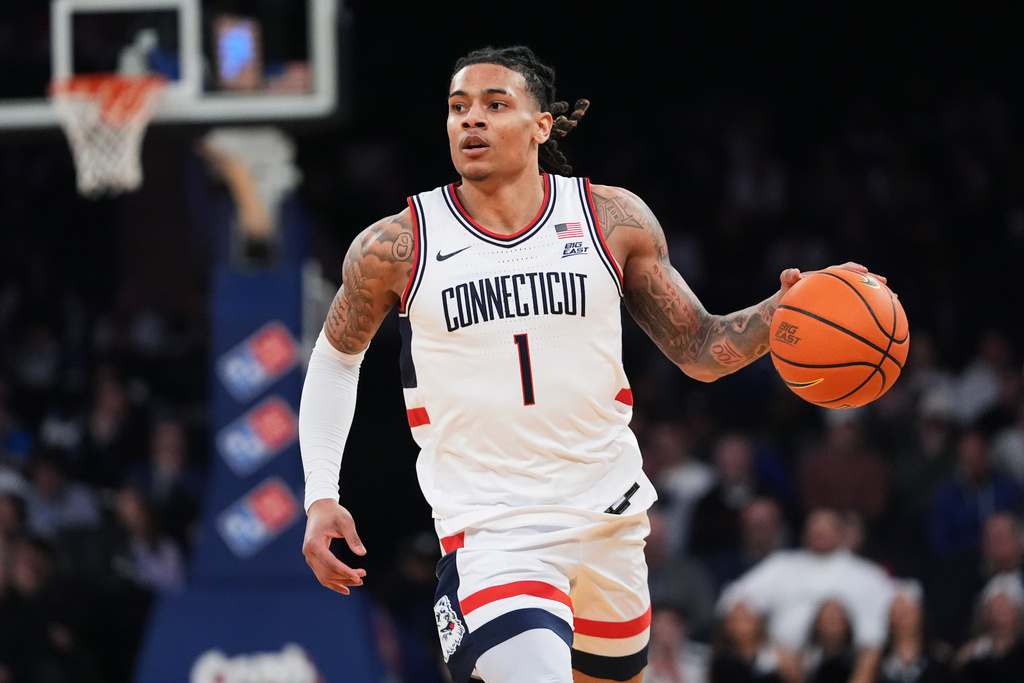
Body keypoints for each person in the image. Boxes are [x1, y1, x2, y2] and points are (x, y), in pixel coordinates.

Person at [298, 44, 878, 683]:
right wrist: (321, 491)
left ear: (541, 125)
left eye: (495, 105)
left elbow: (701, 351)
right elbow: (334, 359)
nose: (471, 121)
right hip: (493, 532)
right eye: (458, 107)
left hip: (611, 522)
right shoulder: (397, 245)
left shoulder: (611, 219)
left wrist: (783, 310)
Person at [718, 508, 896, 683]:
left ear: (842, 533)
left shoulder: (866, 574)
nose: (818, 531)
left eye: (826, 526)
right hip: (780, 665)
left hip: (851, 664)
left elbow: (889, 619)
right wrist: (770, 652)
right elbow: (732, 600)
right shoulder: (781, 565)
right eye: (813, 526)